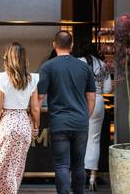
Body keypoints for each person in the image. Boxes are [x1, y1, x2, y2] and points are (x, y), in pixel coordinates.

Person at [38, 31, 97, 194]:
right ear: (71, 46)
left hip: (59, 123)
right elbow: (91, 98)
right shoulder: (85, 67)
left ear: (54, 45)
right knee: (79, 165)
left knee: (62, 165)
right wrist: (85, 117)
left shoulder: (47, 67)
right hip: (80, 122)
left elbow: (39, 98)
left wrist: (34, 121)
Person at [0, 42, 41, 194]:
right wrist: (35, 126)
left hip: (7, 124)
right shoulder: (33, 79)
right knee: (15, 169)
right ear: (23, 58)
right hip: (23, 125)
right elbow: (35, 108)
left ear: (8, 58)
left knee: (0, 167)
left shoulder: (2, 78)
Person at [74, 45, 112, 191]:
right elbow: (108, 89)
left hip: (81, 101)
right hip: (97, 101)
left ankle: (78, 175)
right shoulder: (102, 65)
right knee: (94, 140)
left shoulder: (78, 62)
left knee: (78, 139)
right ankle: (92, 178)